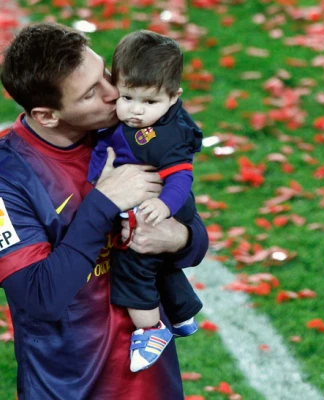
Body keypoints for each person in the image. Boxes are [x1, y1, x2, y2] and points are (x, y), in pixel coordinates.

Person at [0, 22, 208, 399]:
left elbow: (194, 240)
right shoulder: (8, 177)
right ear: (47, 115)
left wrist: (179, 237)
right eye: (91, 93)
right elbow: (40, 297)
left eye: (105, 74)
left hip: (154, 382)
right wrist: (102, 204)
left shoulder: (127, 130)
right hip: (70, 388)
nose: (116, 94)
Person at [87, 30, 204, 372]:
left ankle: (151, 329)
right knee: (161, 265)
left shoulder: (168, 135)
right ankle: (182, 313)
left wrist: (165, 206)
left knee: (133, 263)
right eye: (127, 97)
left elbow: (182, 177)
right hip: (140, 196)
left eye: (149, 102)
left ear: (173, 97)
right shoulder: (127, 121)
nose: (135, 111)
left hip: (163, 202)